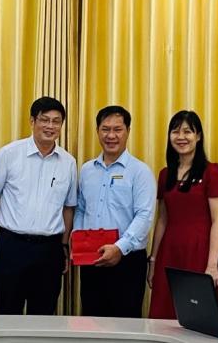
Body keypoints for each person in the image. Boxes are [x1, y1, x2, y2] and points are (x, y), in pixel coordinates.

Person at [0, 97, 77, 315]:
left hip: (49, 250)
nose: (50, 126)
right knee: (8, 313)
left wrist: (64, 246)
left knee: (43, 316)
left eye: (56, 121)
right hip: (12, 246)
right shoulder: (9, 154)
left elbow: (69, 207)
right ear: (32, 121)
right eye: (44, 120)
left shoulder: (68, 162)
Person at [75, 105, 156, 318]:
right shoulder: (87, 170)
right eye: (105, 129)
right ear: (97, 131)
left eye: (117, 129)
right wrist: (78, 239)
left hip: (127, 260)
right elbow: (81, 209)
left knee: (124, 324)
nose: (111, 135)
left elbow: (144, 216)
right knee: (92, 320)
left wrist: (119, 248)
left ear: (128, 131)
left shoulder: (140, 171)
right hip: (92, 259)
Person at [148, 110, 218, 319]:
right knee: (163, 313)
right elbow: (162, 220)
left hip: (200, 252)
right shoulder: (165, 174)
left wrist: (212, 264)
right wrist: (153, 260)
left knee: (198, 316)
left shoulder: (212, 171)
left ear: (198, 136)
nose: (181, 137)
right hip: (169, 252)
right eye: (175, 131)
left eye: (187, 131)